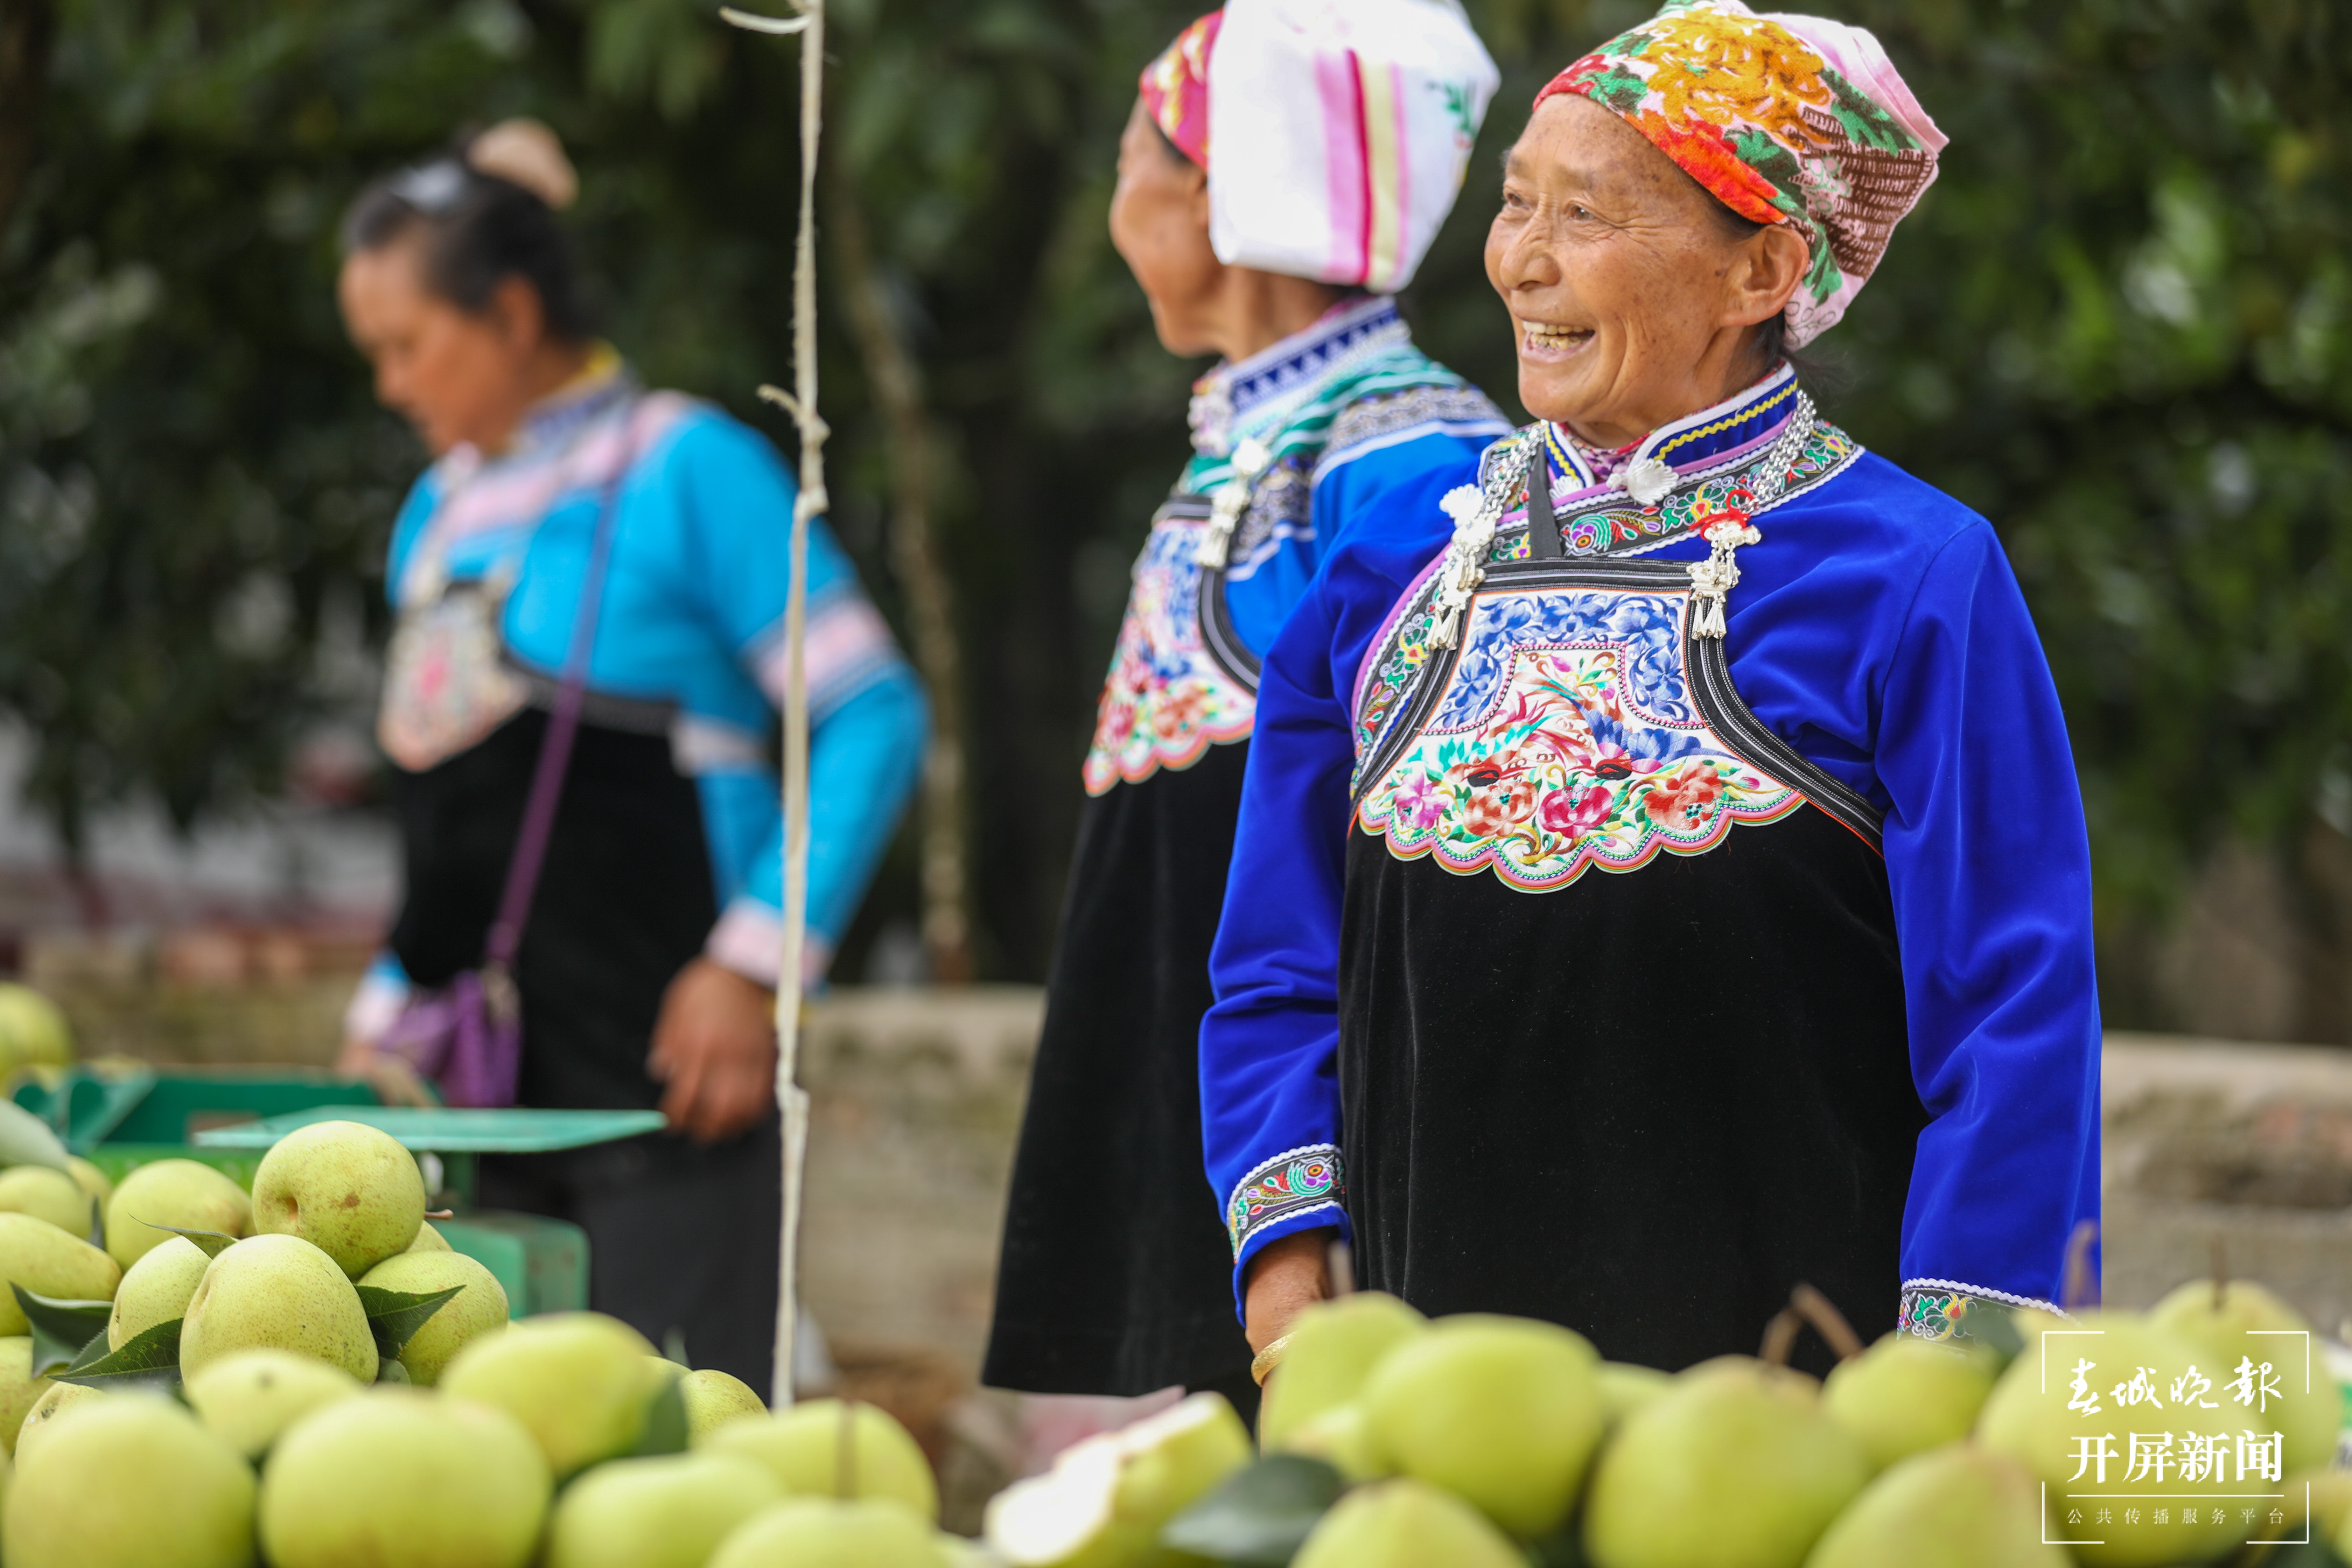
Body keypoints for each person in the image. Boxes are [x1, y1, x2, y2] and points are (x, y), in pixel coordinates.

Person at [1203, 0, 2102, 1378]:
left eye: (1588, 215)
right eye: (1517, 203)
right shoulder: (1389, 557)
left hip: (1786, 1421)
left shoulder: (1915, 577)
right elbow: (1276, 958)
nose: (1524, 262)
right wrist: (1283, 1247)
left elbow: (2013, 1010)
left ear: (1763, 272)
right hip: (1420, 1413)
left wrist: (1955, 1382)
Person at [333, 120, 927, 1391]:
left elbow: (873, 712)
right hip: (475, 1104)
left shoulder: (685, 465)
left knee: (685, 1436)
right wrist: (385, 1011)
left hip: (668, 1083)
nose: (390, 384)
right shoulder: (431, 518)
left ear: (505, 311)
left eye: (406, 344)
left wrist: (755, 964)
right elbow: (452, 815)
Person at [983, 1, 1511, 1416]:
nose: (1114, 212)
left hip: (1299, 1094)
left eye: (1125, 167)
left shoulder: (1408, 463)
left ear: (1222, 192)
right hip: (1201, 1060)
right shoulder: (1262, 438)